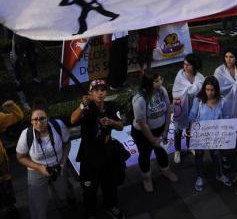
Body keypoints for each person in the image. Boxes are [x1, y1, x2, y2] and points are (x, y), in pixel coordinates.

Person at [70, 79, 125, 219]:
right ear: (90, 93)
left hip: (107, 154)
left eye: (103, 90)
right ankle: (90, 212)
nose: (100, 93)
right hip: (89, 156)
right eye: (96, 90)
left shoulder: (111, 107)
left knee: (110, 185)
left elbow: (121, 126)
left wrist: (111, 121)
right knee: (89, 189)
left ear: (106, 92)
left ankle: (110, 206)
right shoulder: (86, 108)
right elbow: (72, 120)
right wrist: (82, 105)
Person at [16, 98, 70, 219]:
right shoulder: (26, 134)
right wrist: (39, 167)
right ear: (31, 121)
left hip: (58, 167)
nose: (38, 123)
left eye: (42, 118)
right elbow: (20, 157)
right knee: (38, 204)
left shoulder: (58, 126)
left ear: (48, 118)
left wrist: (62, 163)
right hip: (36, 170)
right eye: (34, 120)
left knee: (62, 195)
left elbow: (67, 143)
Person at [131, 71, 178, 193]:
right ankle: (146, 178)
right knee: (145, 155)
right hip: (142, 133)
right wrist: (152, 140)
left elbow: (168, 110)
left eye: (160, 79)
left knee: (162, 151)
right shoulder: (139, 99)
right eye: (156, 81)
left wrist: (165, 131)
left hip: (160, 129)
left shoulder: (162, 91)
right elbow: (143, 124)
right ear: (148, 84)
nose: (160, 82)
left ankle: (165, 170)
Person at [188, 76, 232, 192]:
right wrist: (192, 130)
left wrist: (227, 130)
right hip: (200, 134)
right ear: (204, 89)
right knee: (199, 156)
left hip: (215, 134)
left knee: (216, 155)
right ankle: (200, 177)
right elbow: (192, 116)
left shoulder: (223, 101)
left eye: (212, 90)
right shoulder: (198, 100)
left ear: (216, 90)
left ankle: (220, 174)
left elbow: (227, 116)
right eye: (207, 90)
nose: (209, 93)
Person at [214, 48, 237, 168]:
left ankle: (226, 152)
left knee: (232, 129)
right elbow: (216, 89)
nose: (228, 59)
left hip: (236, 104)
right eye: (226, 56)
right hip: (224, 105)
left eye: (231, 57)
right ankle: (222, 155)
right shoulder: (219, 71)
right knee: (223, 130)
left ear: (236, 58)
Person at [172, 54, 204, 164]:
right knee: (178, 130)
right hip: (181, 107)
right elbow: (176, 92)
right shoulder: (180, 76)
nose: (185, 67)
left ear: (194, 66)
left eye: (188, 65)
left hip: (193, 107)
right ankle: (177, 150)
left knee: (191, 128)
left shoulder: (200, 77)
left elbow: (201, 93)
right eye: (184, 64)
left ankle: (190, 146)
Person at [0, 100, 23, 219]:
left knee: (7, 189)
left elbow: (17, 116)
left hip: (1, 163)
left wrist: (12, 106)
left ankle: (11, 208)